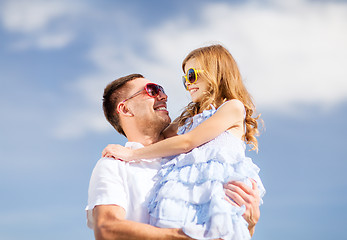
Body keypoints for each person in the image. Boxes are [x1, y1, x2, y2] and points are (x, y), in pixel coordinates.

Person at [102, 44, 266, 240]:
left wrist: (132, 154)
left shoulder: (233, 108)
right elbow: (158, 136)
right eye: (184, 80)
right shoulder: (188, 119)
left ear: (215, 72)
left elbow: (188, 142)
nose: (188, 84)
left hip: (218, 190)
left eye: (191, 75)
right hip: (187, 194)